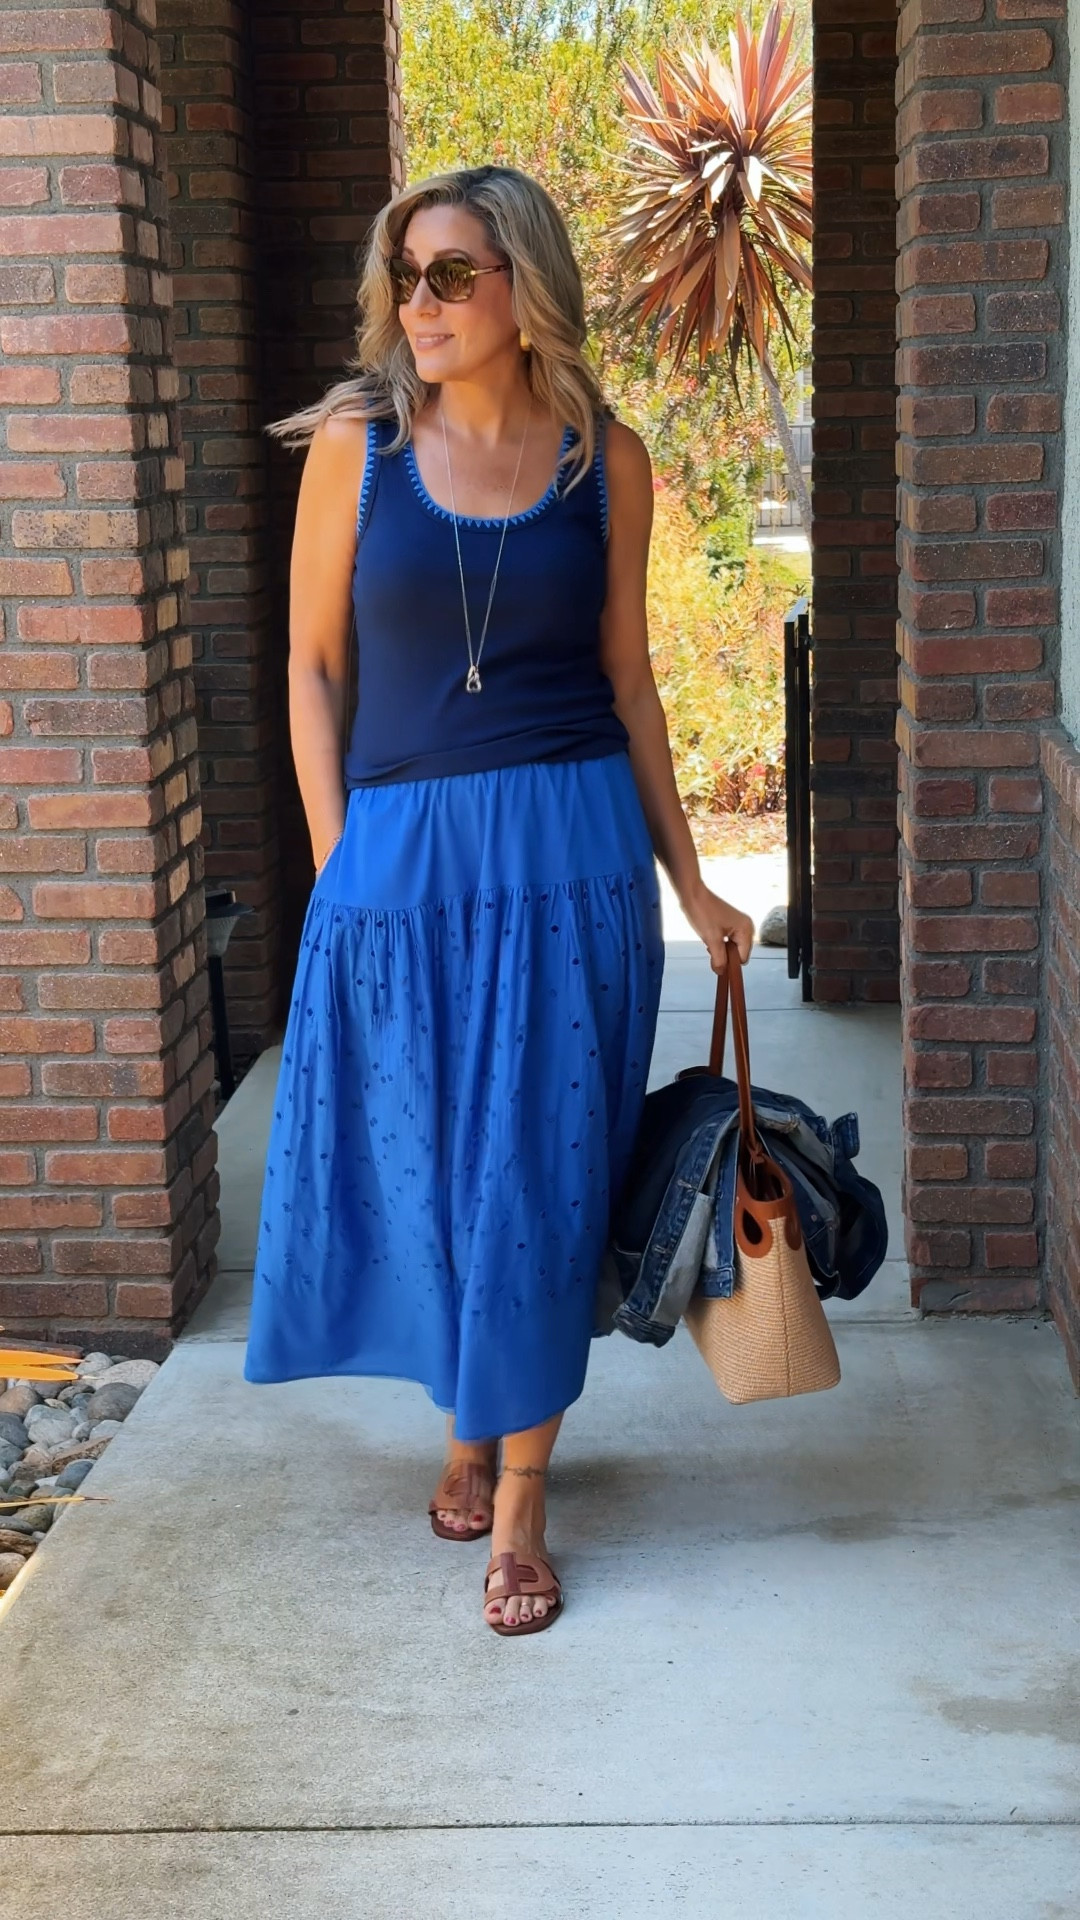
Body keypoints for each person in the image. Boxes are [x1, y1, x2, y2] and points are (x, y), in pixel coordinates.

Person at [242, 163, 754, 1637]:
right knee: (429, 1166)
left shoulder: (607, 461)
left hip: (571, 856)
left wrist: (691, 880)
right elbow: (312, 666)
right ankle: (469, 1417)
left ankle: (519, 1495)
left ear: (527, 289)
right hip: (400, 858)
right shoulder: (359, 448)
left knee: (537, 1175)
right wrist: (338, 862)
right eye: (406, 276)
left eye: (453, 273)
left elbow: (630, 681)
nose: (421, 303)